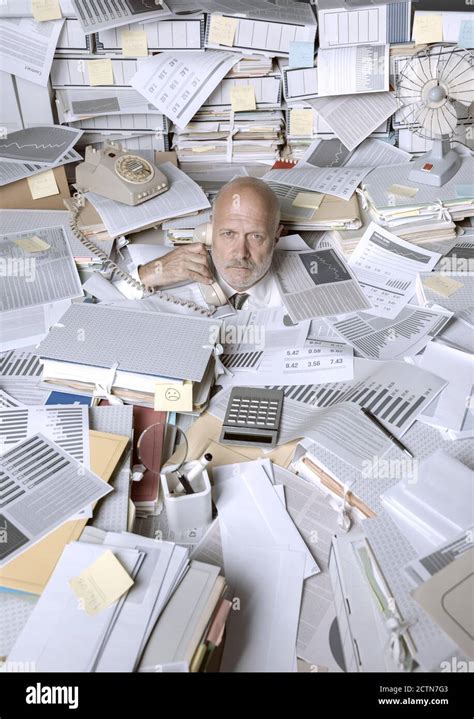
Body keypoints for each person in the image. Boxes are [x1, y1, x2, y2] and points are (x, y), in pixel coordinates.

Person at [137, 176, 284, 310]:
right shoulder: (171, 273)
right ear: (210, 230)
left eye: (256, 236)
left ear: (276, 236)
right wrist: (146, 274)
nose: (241, 253)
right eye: (229, 234)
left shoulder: (303, 298)